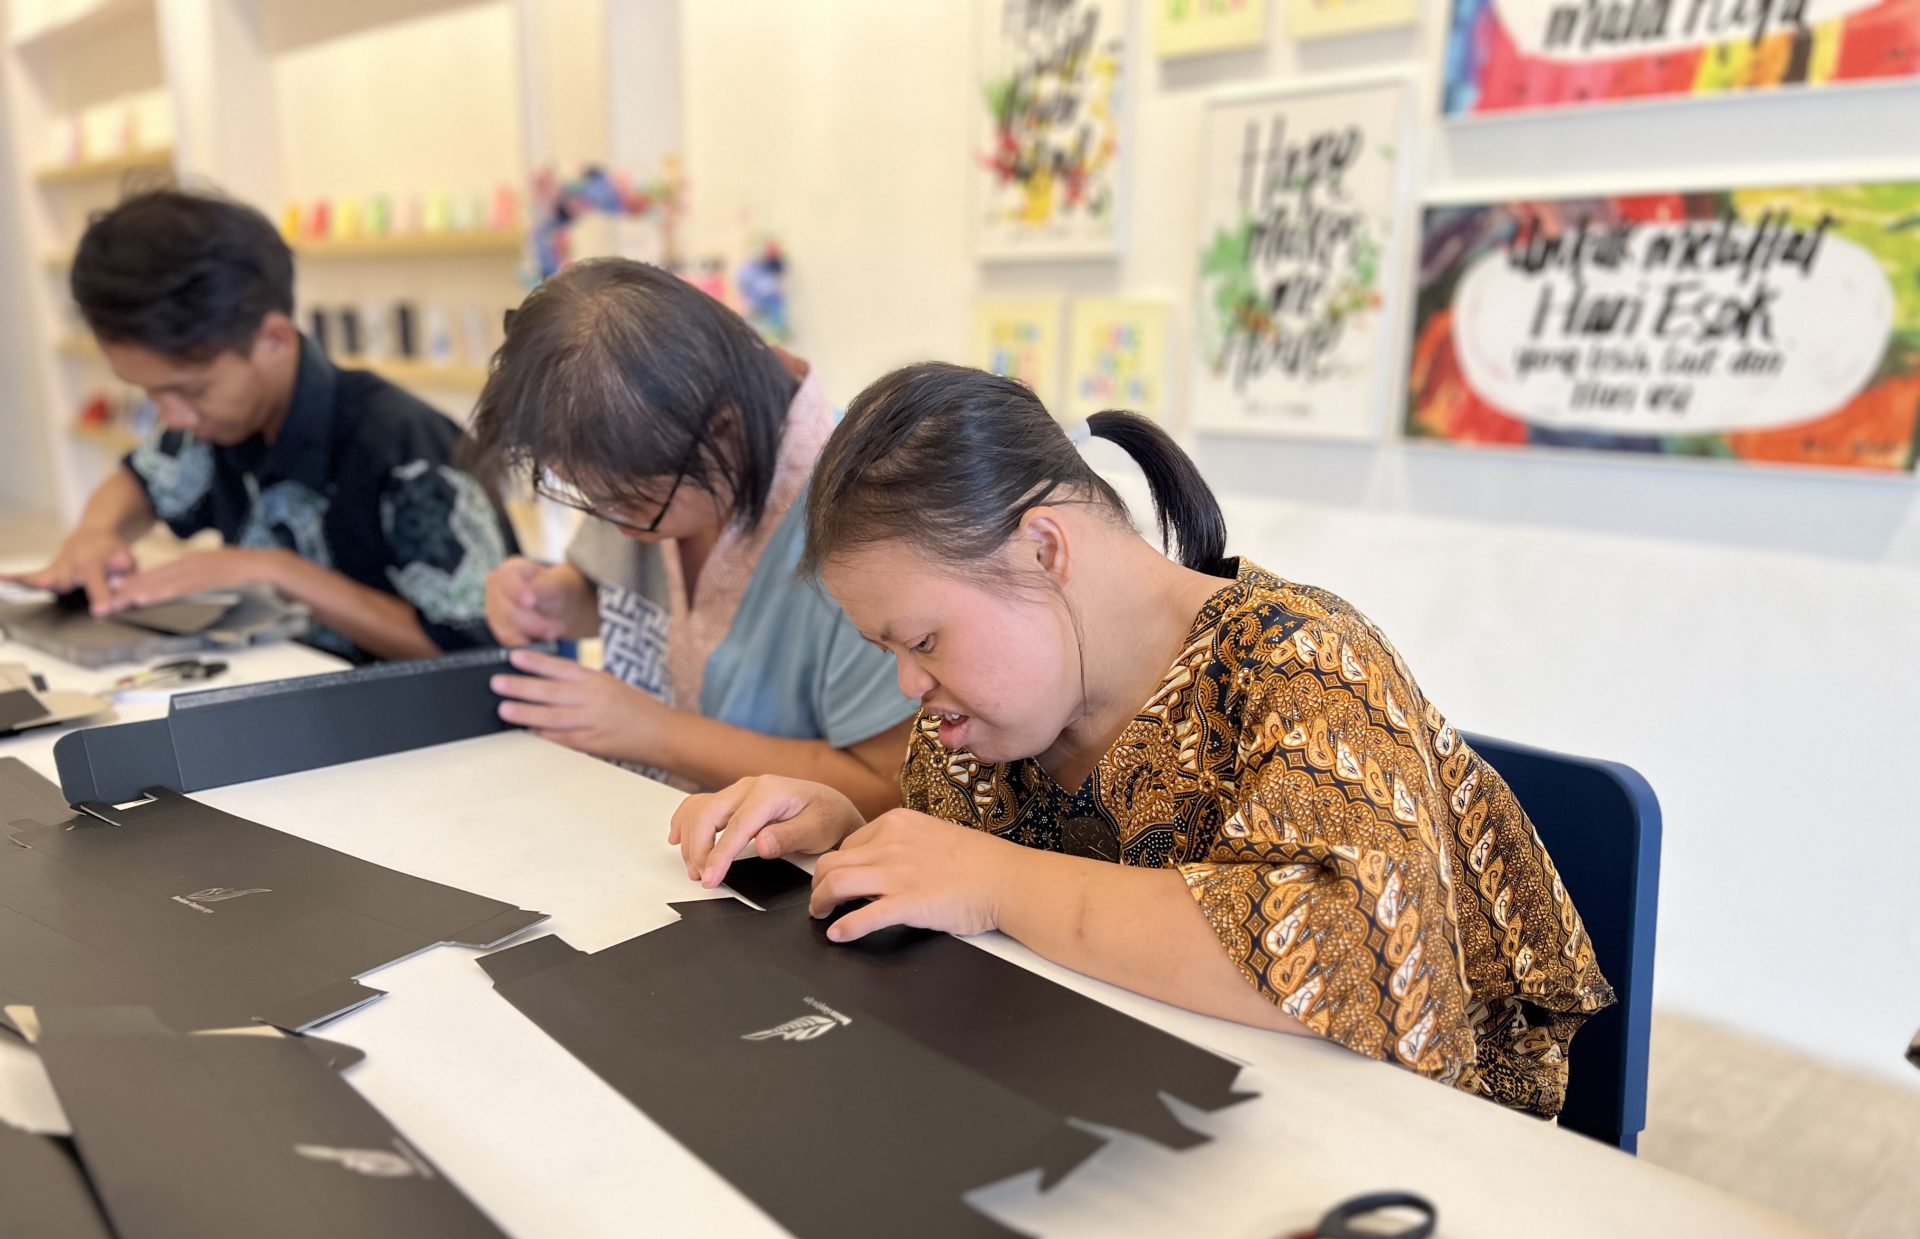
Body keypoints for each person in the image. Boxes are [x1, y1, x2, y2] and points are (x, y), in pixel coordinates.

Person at [669, 363, 1616, 1118]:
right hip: (1123, 1098)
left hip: (1408, 1157)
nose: (908, 685)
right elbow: (951, 869)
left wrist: (997, 881)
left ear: (1043, 549)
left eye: (922, 640)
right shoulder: (985, 724)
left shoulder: (1301, 663)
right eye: (889, 651)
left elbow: (1352, 967)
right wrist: (847, 835)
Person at [468, 259, 915, 819]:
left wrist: (658, 734)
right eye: (589, 498)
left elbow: (887, 786)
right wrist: (551, 598)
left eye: (632, 503)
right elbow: (610, 593)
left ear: (723, 430)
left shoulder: (865, 516)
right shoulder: (648, 452)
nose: (617, 523)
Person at [7, 188, 512, 663]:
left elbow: (476, 649)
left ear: (273, 339)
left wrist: (274, 570)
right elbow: (141, 480)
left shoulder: (406, 446)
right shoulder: (218, 424)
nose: (173, 417)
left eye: (192, 390)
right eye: (150, 393)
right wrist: (96, 534)